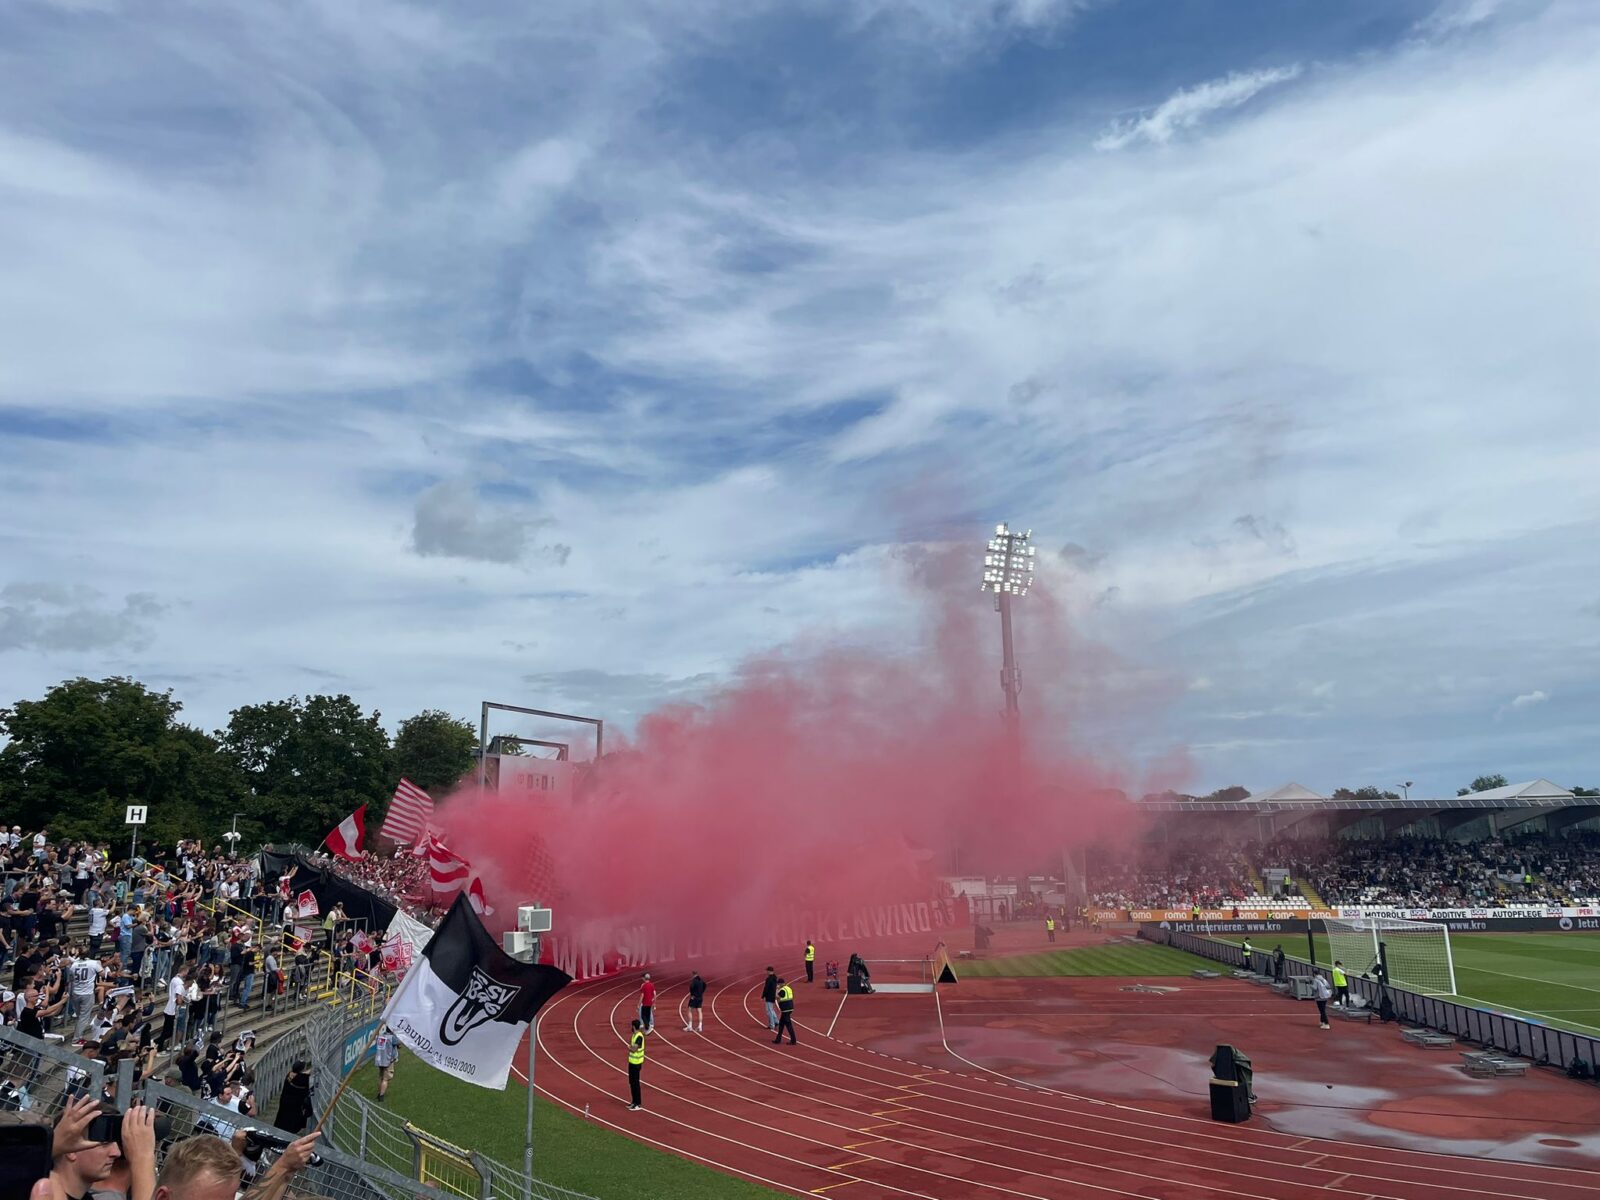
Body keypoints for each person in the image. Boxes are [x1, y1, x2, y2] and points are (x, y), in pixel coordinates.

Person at [274, 1060, 314, 1133]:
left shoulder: (290, 1074)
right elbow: (305, 1076)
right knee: (291, 1124)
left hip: (285, 1103)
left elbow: (303, 1074)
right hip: (294, 1106)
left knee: (282, 1120)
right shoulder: (302, 1080)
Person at [625, 1018, 648, 1111]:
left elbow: (634, 1049)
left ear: (633, 1027)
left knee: (635, 1084)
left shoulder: (639, 1037)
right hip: (632, 1062)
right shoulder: (635, 1035)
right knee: (632, 1083)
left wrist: (629, 1047)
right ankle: (634, 1102)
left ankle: (638, 1103)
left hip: (636, 1063)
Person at [373, 1026, 399, 1100]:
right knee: (385, 1079)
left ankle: (379, 1093)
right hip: (388, 1061)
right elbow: (399, 1043)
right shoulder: (392, 1038)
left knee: (381, 1078)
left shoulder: (380, 1036)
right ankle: (381, 1096)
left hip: (380, 1060)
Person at [772, 977, 796, 1046]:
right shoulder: (788, 988)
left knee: (789, 1025)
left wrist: (777, 989)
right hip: (789, 1007)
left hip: (785, 1009)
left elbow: (777, 997)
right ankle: (778, 1039)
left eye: (778, 984)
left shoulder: (782, 990)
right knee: (781, 1024)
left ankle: (793, 1040)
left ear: (780, 984)